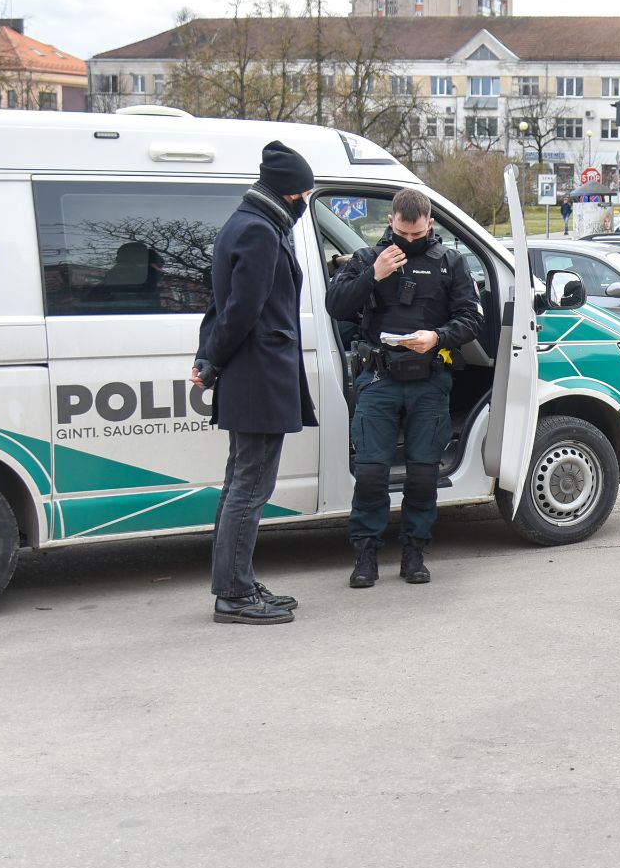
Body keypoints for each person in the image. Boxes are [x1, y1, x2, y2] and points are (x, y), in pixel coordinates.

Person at [326, 188, 484, 588]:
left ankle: (414, 552)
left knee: (423, 475)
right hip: (379, 378)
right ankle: (365, 555)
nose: (409, 240)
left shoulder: (450, 262)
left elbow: (471, 319)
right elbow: (335, 305)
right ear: (391, 221)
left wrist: (437, 337)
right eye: (402, 233)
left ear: (429, 223)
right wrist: (374, 274)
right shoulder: (368, 258)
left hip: (429, 379)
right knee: (371, 473)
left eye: (417, 234)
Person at [192, 140, 319, 625]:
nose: (305, 201)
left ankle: (236, 582)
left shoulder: (243, 223)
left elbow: (219, 305)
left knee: (239, 485)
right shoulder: (260, 232)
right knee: (249, 488)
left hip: (250, 376)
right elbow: (241, 311)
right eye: (304, 193)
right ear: (289, 192)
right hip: (259, 378)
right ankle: (234, 595)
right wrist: (212, 360)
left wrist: (208, 359)